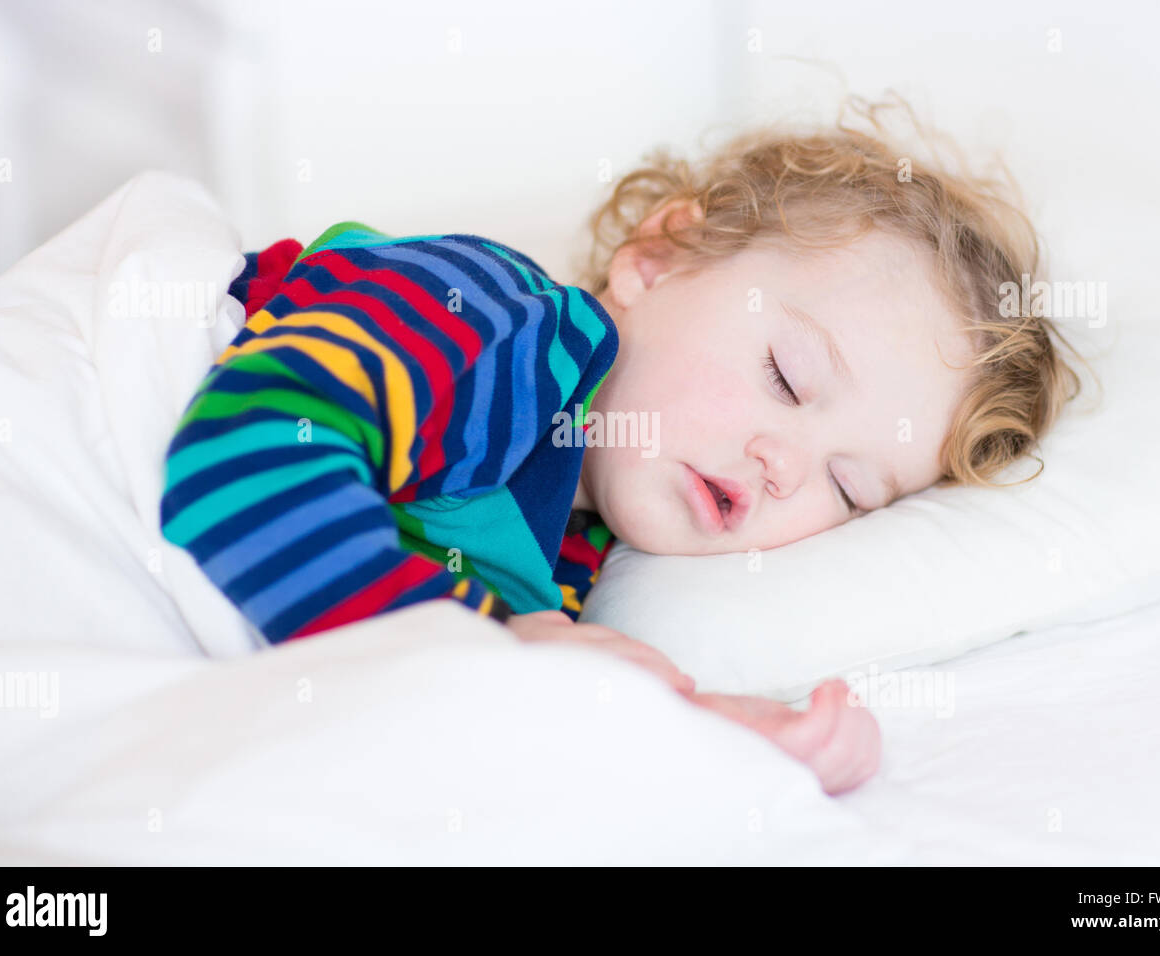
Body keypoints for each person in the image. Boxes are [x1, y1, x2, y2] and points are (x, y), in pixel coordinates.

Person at [160, 101, 1081, 796]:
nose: (784, 465)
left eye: (847, 489)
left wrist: (701, 733)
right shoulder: (486, 314)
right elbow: (236, 477)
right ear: (662, 258)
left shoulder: (563, 551)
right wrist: (508, 649)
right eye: (790, 378)